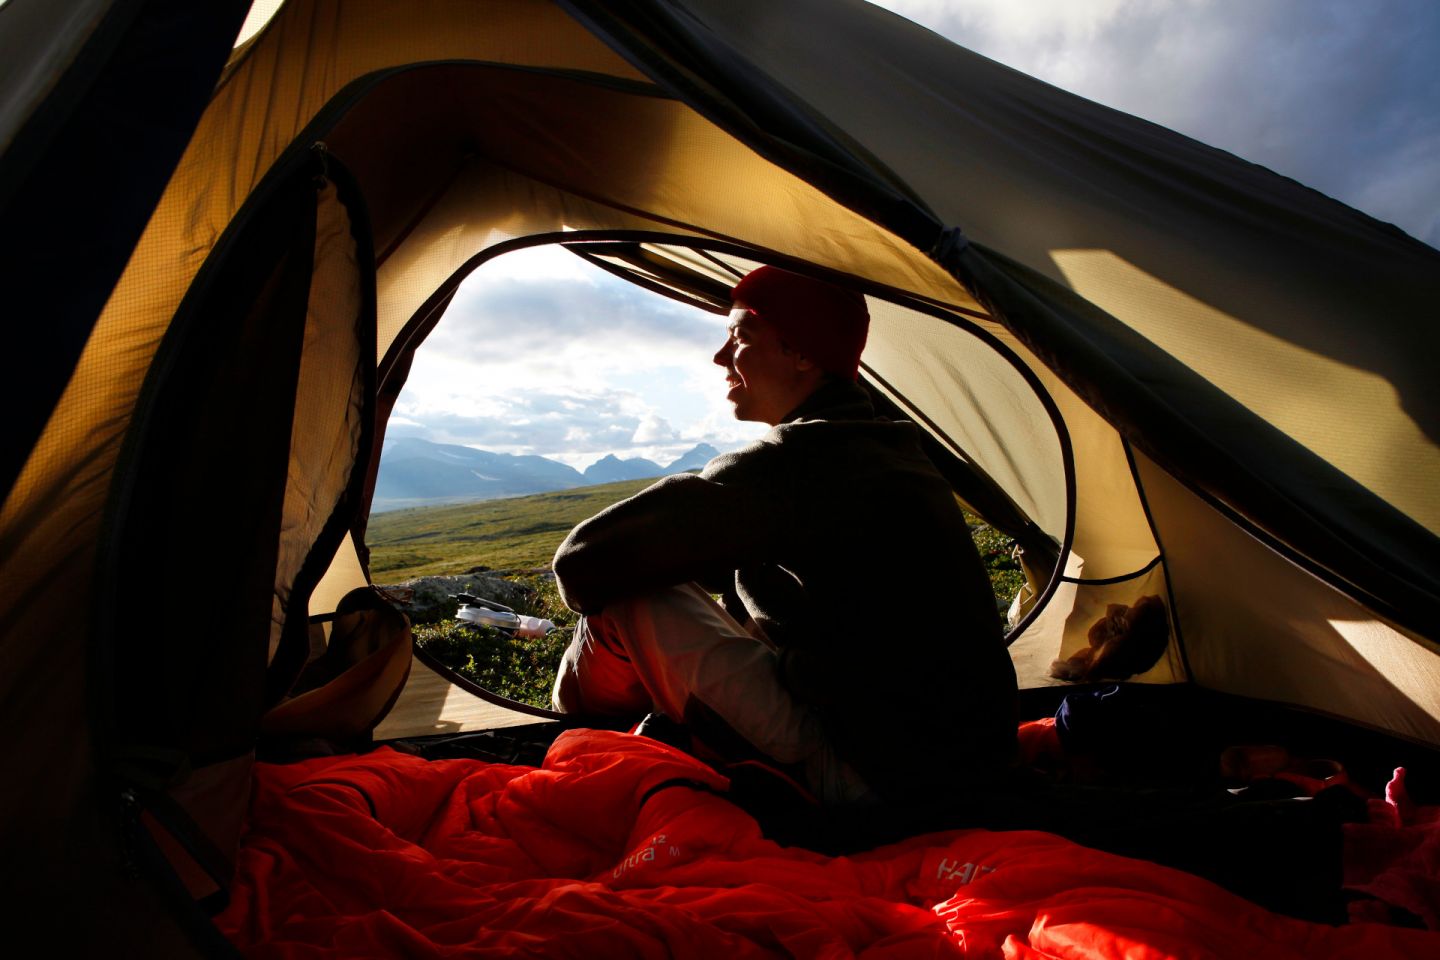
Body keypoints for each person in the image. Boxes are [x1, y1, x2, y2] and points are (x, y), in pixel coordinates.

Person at [550, 265, 1019, 807]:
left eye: (739, 338)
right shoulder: (885, 446)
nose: (721, 358)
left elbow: (580, 563)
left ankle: (578, 744)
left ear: (801, 354)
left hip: (874, 776)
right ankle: (616, 739)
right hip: (967, 761)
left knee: (629, 593)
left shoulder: (794, 461)